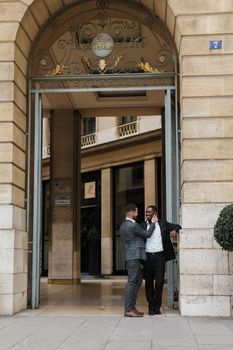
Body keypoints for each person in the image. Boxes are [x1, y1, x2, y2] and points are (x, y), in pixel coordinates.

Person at [120, 203, 157, 317]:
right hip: (134, 256)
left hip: (132, 256)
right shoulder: (132, 225)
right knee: (132, 282)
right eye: (136, 212)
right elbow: (147, 234)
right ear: (131, 212)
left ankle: (132, 307)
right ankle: (128, 309)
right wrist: (153, 224)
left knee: (138, 281)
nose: (137, 214)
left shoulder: (123, 225)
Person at [144, 205, 181, 315]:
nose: (147, 214)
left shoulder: (163, 223)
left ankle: (157, 306)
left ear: (155, 213)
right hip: (148, 258)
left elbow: (178, 226)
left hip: (160, 257)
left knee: (159, 282)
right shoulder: (142, 226)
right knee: (149, 283)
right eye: (146, 212)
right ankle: (151, 307)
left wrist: (175, 230)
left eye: (149, 212)